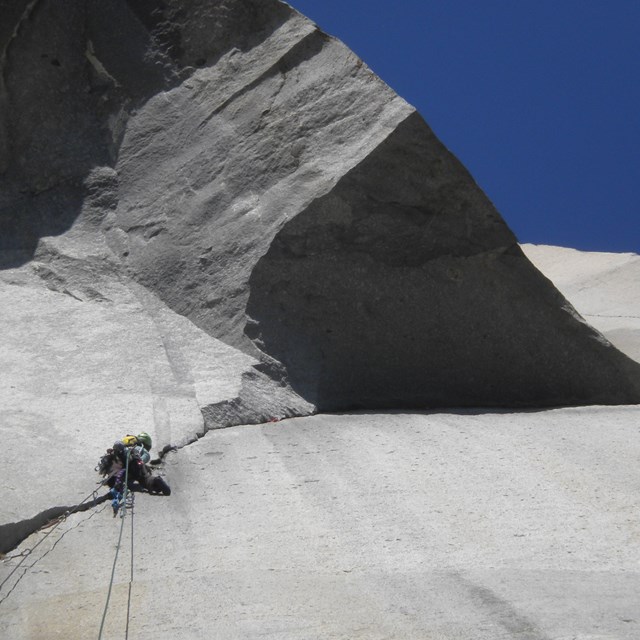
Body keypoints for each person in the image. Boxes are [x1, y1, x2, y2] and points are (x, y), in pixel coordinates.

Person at [97, 432, 171, 513]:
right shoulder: (142, 449)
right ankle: (154, 481)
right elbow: (143, 459)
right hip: (132, 462)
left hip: (117, 462)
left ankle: (116, 485)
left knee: (116, 477)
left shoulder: (126, 445)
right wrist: (141, 467)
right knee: (144, 479)